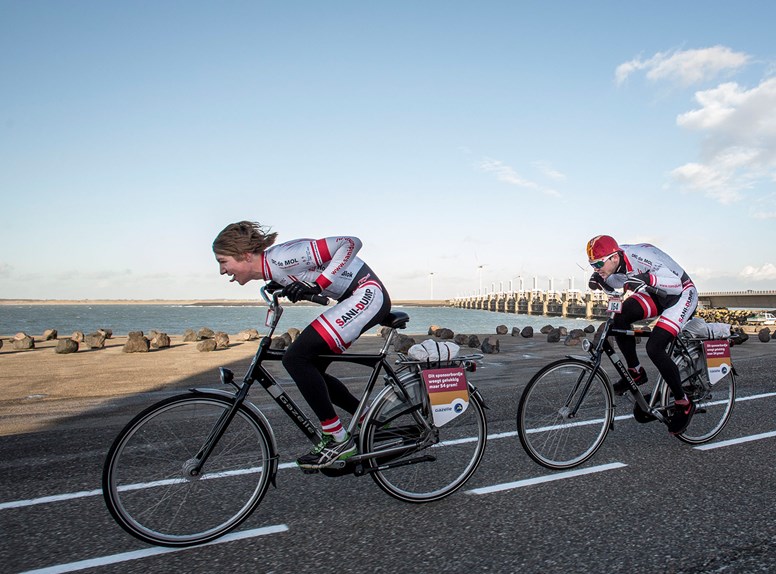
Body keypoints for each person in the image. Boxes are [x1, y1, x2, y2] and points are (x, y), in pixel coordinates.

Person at [213, 221, 391, 469]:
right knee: (311, 369)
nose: (222, 270)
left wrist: (319, 284)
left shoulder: (282, 258)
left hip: (367, 293)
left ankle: (338, 440)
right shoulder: (274, 269)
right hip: (355, 297)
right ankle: (370, 420)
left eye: (223, 261)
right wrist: (287, 285)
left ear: (245, 255)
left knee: (295, 359)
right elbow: (304, 275)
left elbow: (350, 243)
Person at [586, 235, 697, 435]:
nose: (596, 268)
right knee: (620, 318)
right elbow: (619, 282)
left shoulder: (639, 255)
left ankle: (684, 402)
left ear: (614, 257)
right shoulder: (615, 262)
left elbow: (676, 284)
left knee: (654, 348)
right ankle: (636, 372)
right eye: (592, 265)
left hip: (681, 293)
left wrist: (647, 279)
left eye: (599, 264)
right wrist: (603, 281)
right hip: (655, 293)